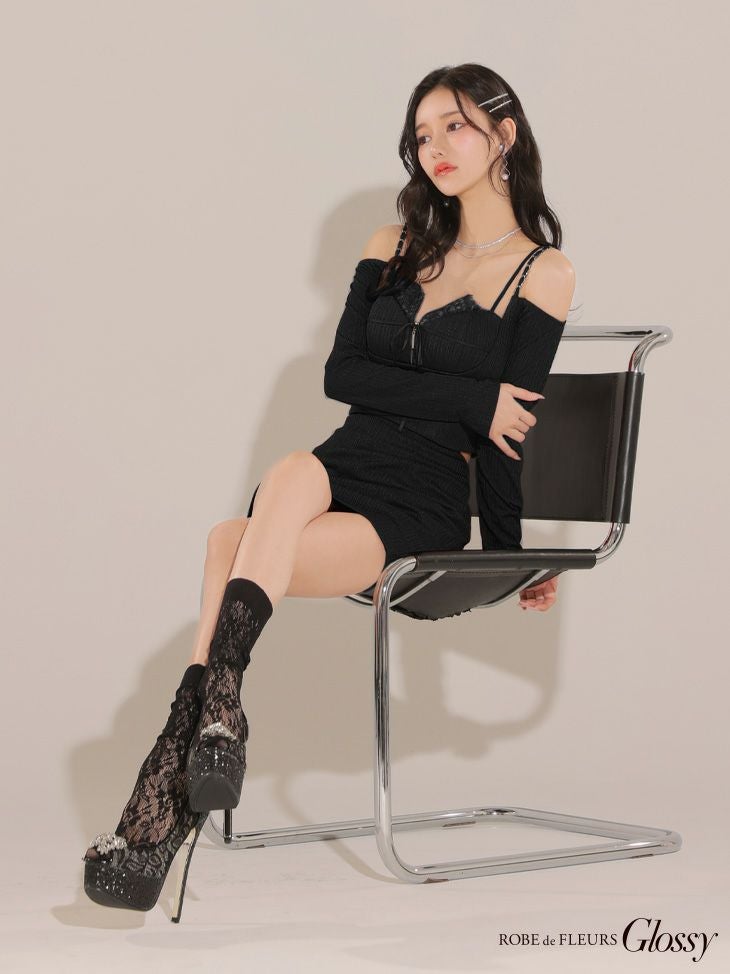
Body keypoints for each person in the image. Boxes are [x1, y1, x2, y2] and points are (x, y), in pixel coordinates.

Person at [82, 62, 575, 916]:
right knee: (290, 471)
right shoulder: (392, 245)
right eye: (422, 134)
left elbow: (507, 433)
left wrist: (510, 554)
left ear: (506, 134)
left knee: (228, 540)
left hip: (419, 502)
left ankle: (176, 770)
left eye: (455, 126)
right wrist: (472, 397)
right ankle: (212, 726)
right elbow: (342, 376)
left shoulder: (544, 272)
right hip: (342, 463)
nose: (435, 148)